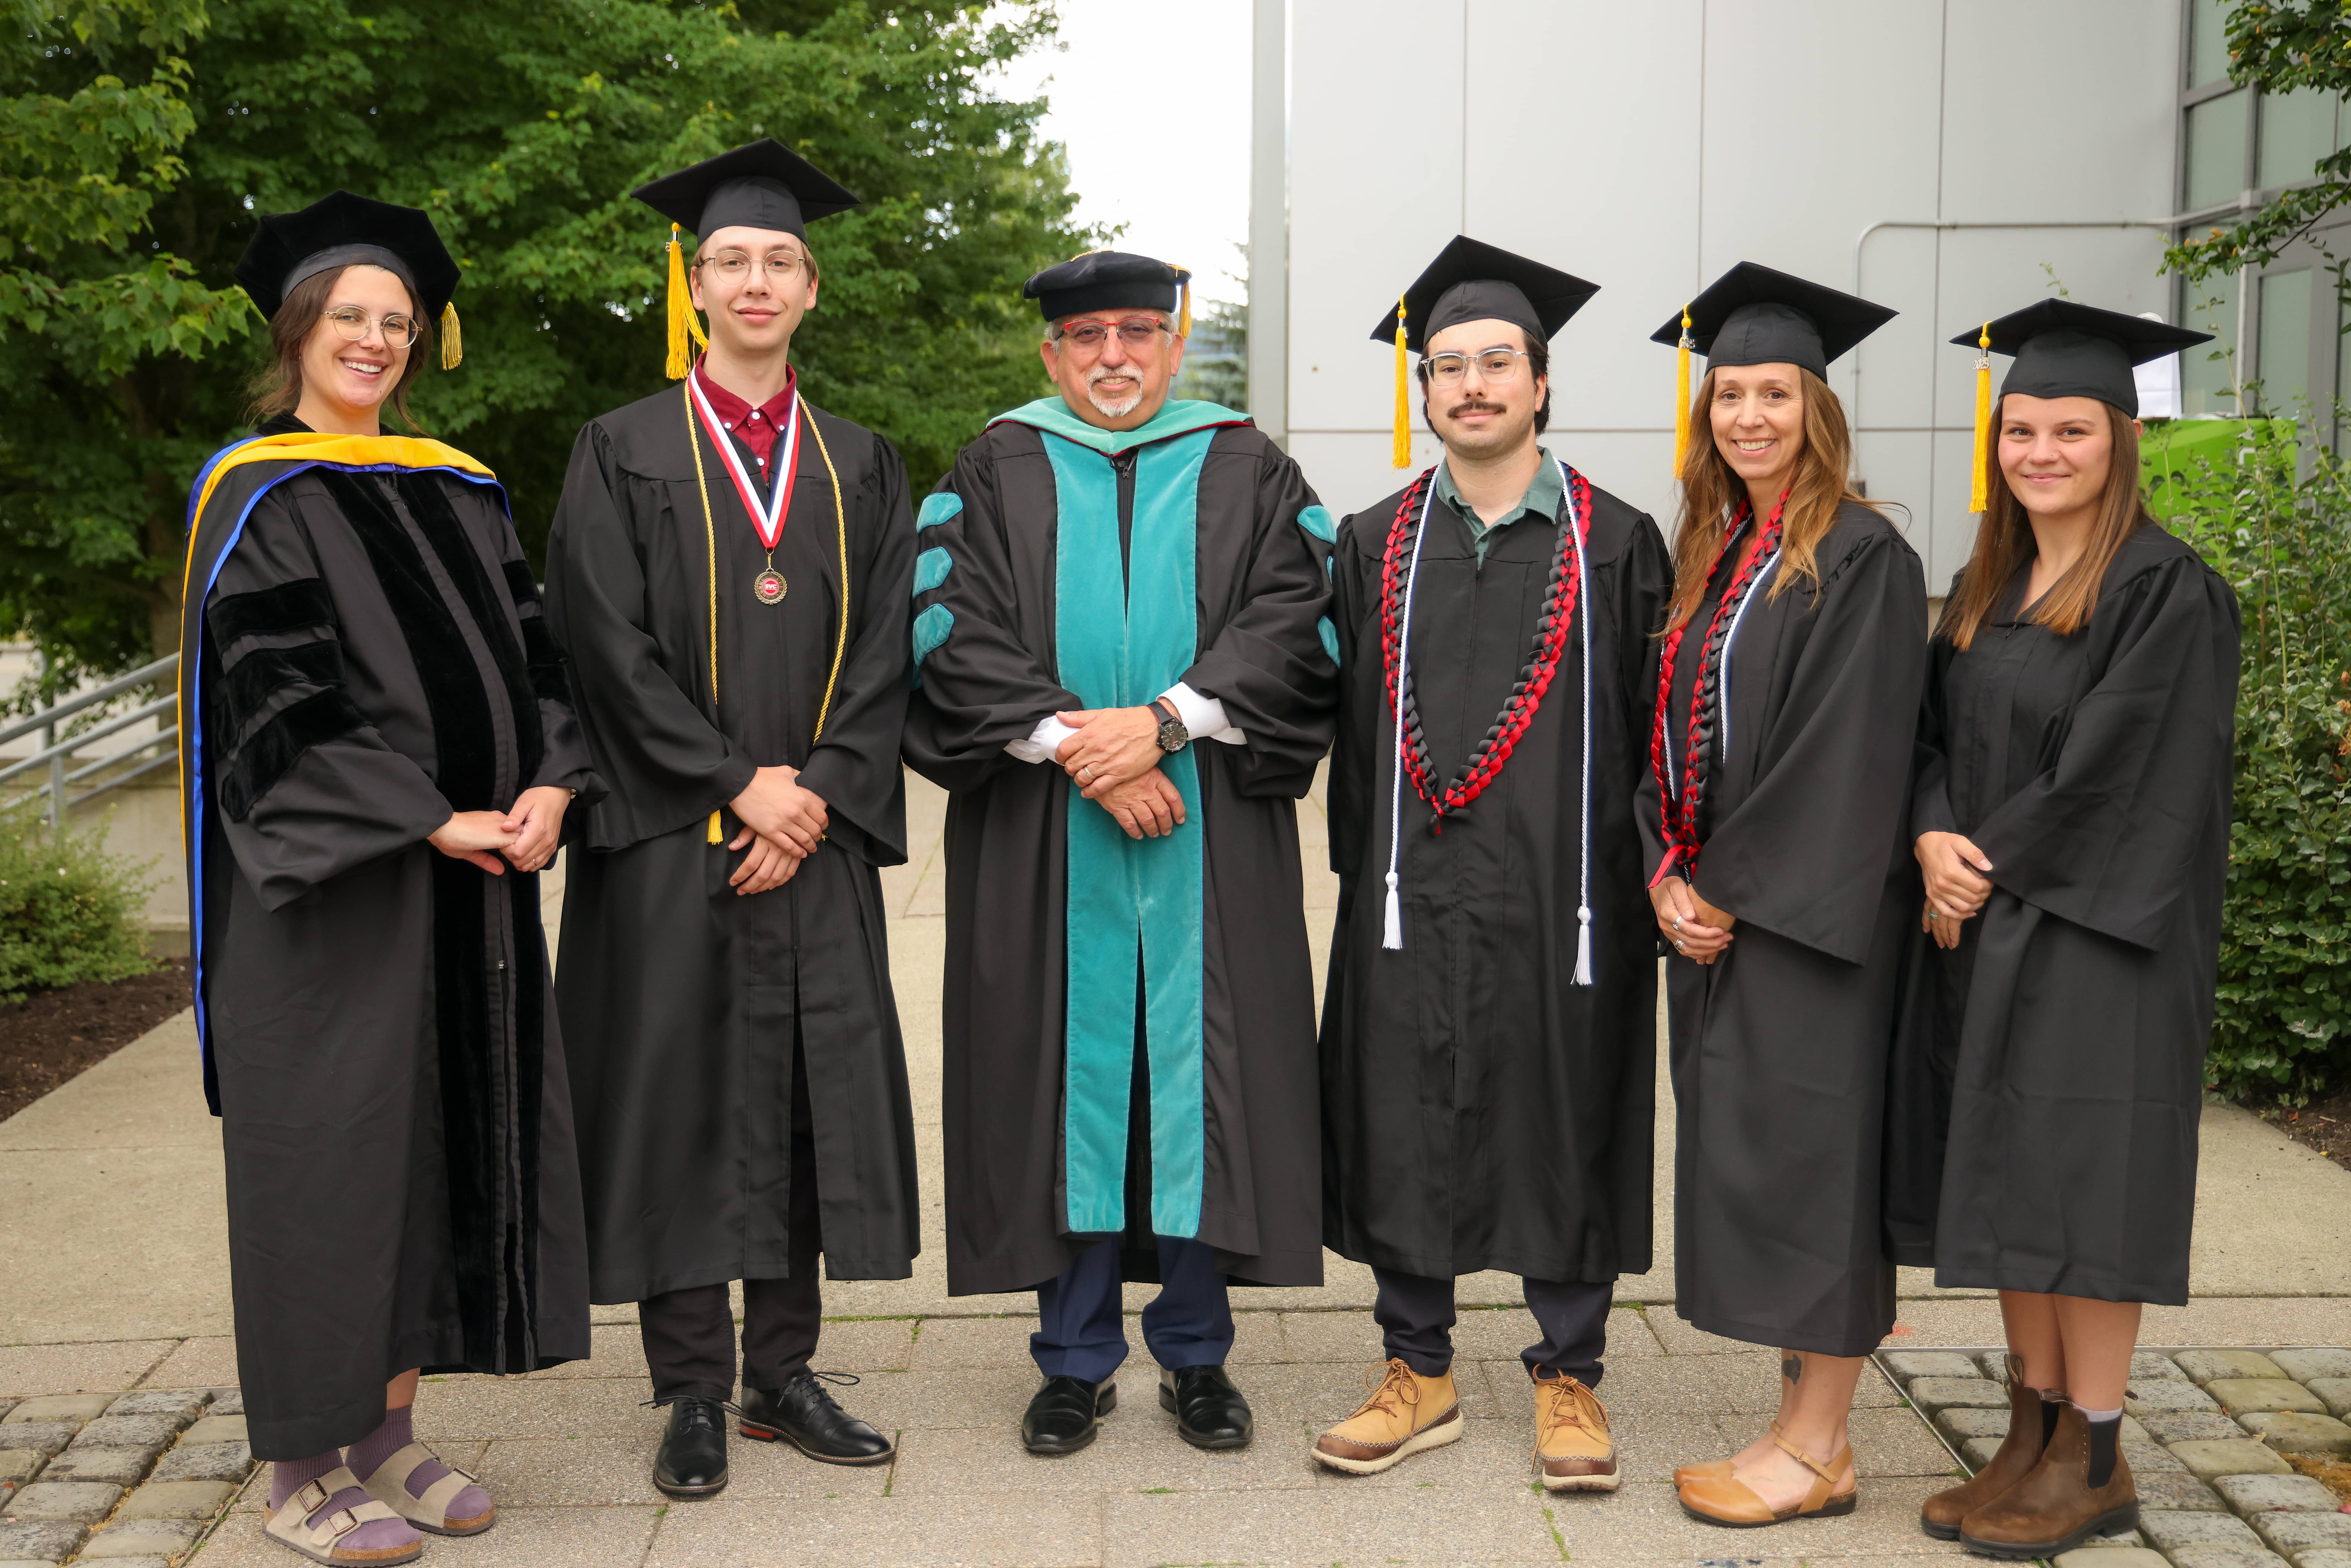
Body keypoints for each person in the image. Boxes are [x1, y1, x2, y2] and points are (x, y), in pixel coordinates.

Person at [180, 191, 597, 1566]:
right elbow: (275, 703)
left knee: (435, 1157)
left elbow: (538, 659)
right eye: (349, 317)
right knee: (334, 1161)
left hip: (473, 886)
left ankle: (386, 1434)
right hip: (336, 900)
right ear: (298, 330)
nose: (374, 339)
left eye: (397, 322)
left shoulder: (459, 487)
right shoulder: (258, 493)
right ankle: (301, 1464)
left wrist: (553, 781)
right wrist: (426, 817)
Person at [903, 250, 1336, 1456]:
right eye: (1087, 335)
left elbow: (1299, 615)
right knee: (1064, 1078)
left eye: (1138, 331)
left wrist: (1166, 723)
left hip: (1210, 824)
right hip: (1045, 826)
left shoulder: (1248, 463)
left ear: (1174, 345)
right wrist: (1076, 745)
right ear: (1050, 353)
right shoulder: (993, 464)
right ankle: (1074, 1357)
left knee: (1199, 1079)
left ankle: (1196, 1355)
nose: (1112, 355)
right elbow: (943, 626)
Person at [542, 140, 918, 1498]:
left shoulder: (863, 463)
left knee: (808, 1098)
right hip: (670, 839)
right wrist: (731, 782)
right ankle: (694, 1383)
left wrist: (810, 795)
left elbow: (890, 648)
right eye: (731, 262)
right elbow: (600, 646)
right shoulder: (620, 449)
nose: (755, 281)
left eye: (779, 261)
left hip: (812, 836)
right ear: (693, 286)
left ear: (811, 287)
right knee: (679, 1101)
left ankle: (785, 1371)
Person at [1310, 237, 1670, 1490]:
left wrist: (1657, 873)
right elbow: (1330, 712)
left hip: (1567, 894)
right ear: (1424, 390)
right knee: (1402, 1102)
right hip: (1408, 889)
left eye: (1495, 363)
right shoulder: (1372, 542)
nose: (1471, 385)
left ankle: (1568, 1373)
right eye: (1448, 365)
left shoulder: (1617, 543)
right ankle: (1416, 1367)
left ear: (1541, 381)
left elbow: (1657, 730)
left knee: (1567, 1101)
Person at [1902, 301, 2236, 1559]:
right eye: (2021, 429)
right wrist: (1930, 836)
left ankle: (2095, 1455)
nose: (2040, 451)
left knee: (2085, 1186)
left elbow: (2119, 772)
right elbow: (1926, 736)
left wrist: (1977, 865)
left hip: (2102, 939)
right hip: (1991, 922)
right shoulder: (1987, 585)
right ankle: (2030, 1431)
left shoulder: (2165, 589)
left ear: (2122, 438)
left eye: (2070, 429)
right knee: (2008, 1174)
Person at [1633, 263, 1927, 1528]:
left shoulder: (1863, 555)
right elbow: (1663, 736)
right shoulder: (1717, 550)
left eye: (1773, 393)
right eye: (1729, 394)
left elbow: (1845, 752)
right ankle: (1804, 1431)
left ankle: (1817, 1448)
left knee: (1819, 1171)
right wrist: (1661, 867)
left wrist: (1726, 888)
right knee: (1764, 1168)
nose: (1748, 415)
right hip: (1721, 919)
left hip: (1811, 921)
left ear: (1817, 408)